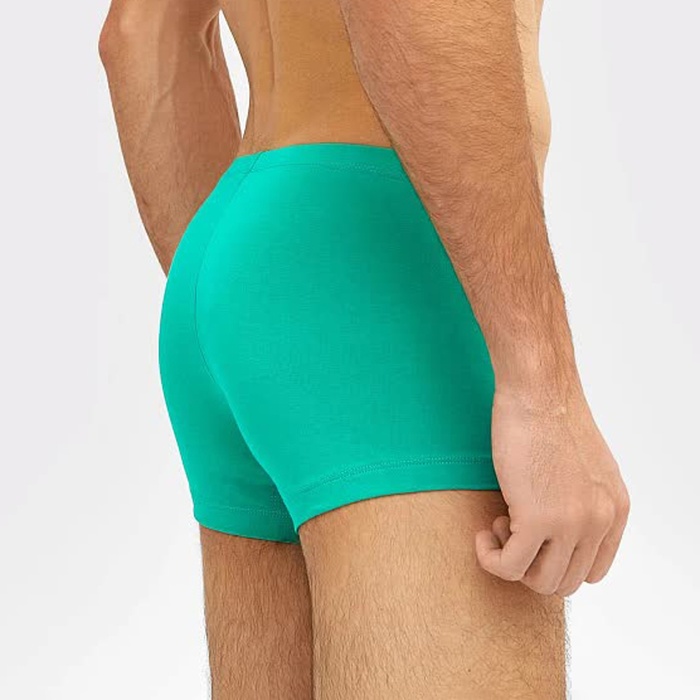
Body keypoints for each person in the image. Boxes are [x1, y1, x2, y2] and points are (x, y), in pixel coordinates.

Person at [99, 0, 631, 697]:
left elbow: (140, 35)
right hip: (386, 267)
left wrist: (275, 328)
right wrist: (543, 386)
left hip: (244, 250)